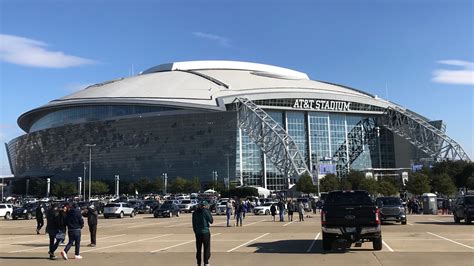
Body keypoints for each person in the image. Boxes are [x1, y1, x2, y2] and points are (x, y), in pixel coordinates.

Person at [192, 201, 213, 266]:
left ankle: (198, 263)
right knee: (206, 247)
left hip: (198, 232)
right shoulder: (205, 211)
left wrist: (195, 232)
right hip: (205, 231)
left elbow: (193, 224)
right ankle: (206, 262)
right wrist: (208, 211)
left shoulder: (195, 213)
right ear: (205, 206)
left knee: (198, 248)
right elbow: (211, 220)